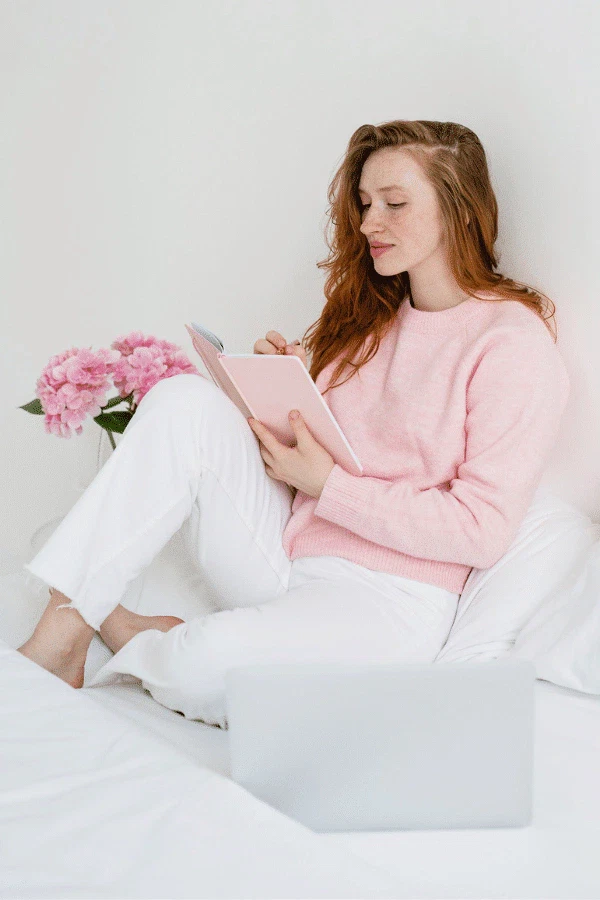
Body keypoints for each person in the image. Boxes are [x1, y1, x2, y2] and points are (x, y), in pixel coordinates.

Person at [18, 120, 570, 729]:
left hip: (389, 597)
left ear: (460, 210)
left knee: (209, 662)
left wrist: (329, 485)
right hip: (288, 551)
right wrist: (285, 394)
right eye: (364, 204)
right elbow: (320, 455)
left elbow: (481, 530)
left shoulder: (512, 343)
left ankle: (135, 631)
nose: (368, 225)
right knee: (181, 400)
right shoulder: (371, 320)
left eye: (394, 204)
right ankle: (60, 637)